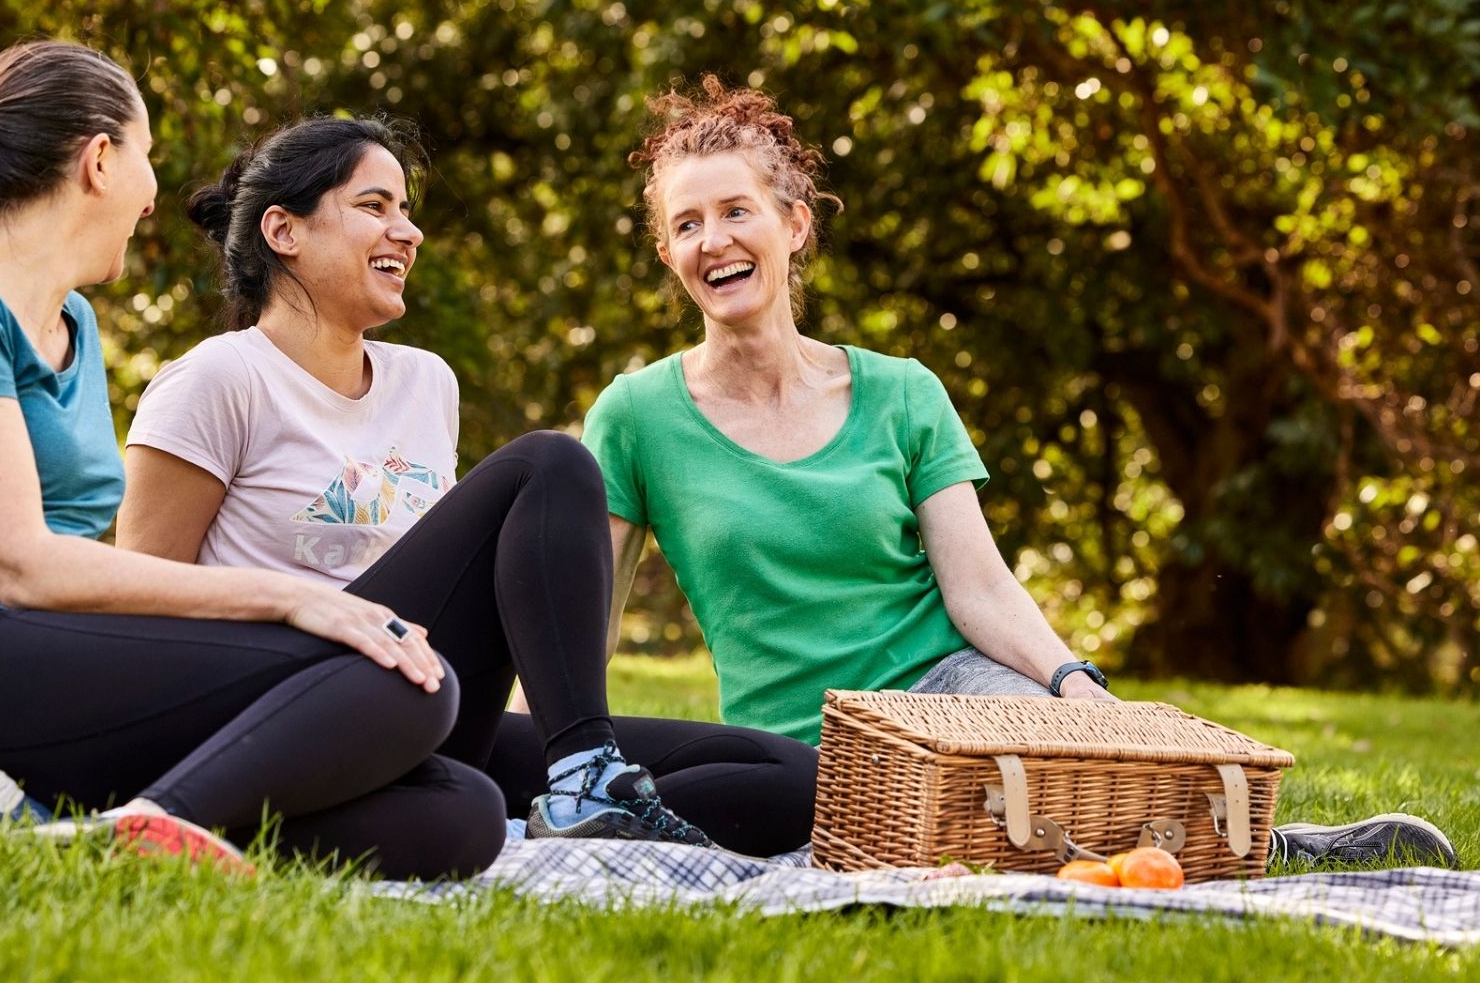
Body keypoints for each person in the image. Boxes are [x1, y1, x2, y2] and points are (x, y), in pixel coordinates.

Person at [581, 76, 1458, 870]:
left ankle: (1264, 847)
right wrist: (552, 746)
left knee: (1061, 768)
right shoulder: (636, 417)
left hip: (953, 689)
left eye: (737, 212)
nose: (714, 242)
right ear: (668, 256)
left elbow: (980, 589)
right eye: (686, 226)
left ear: (794, 225)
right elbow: (586, 615)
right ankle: (1240, 850)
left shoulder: (901, 392)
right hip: (802, 744)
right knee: (975, 833)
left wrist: (1074, 684)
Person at [0, 40, 516, 881]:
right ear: (101, 161)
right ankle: (154, 824)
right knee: (408, 677)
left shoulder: (73, 324)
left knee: (460, 812)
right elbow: (17, 565)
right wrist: (296, 601)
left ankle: (69, 840)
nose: (155, 198)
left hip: (46, 680)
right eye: (148, 158)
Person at [113, 114, 817, 858]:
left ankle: (574, 803)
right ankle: (581, 777)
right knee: (551, 465)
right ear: (284, 232)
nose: (407, 232)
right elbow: (145, 612)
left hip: (428, 708)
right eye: (375, 206)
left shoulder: (425, 383)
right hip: (286, 711)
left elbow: (455, 594)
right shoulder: (218, 380)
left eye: (406, 211)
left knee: (788, 776)